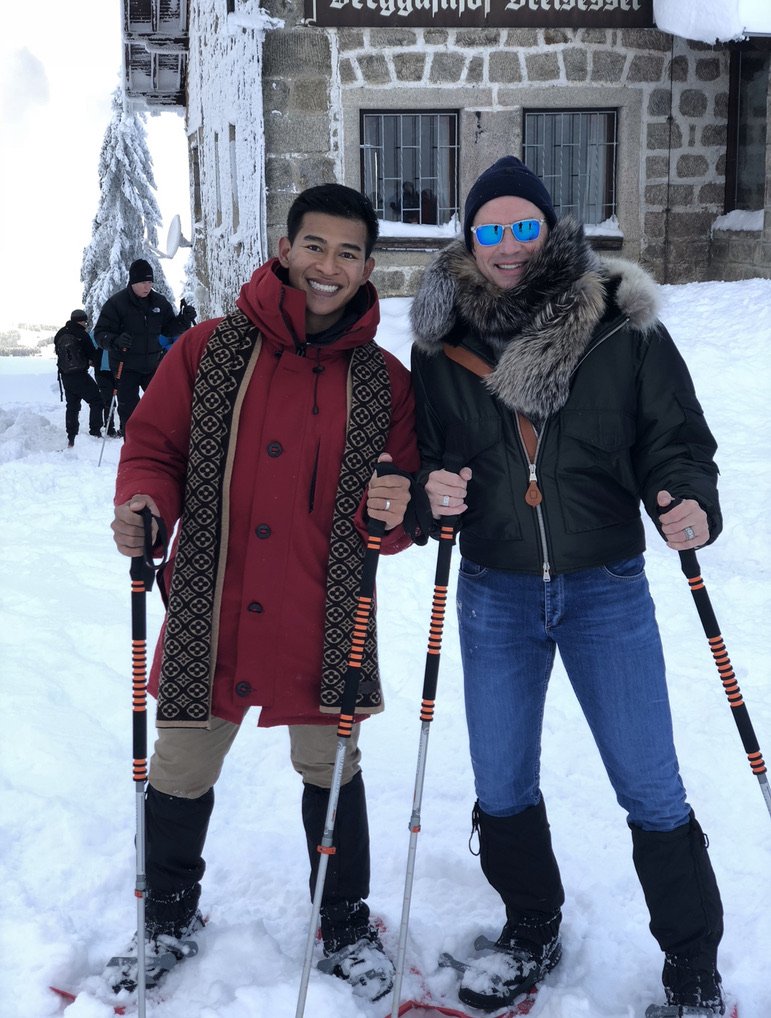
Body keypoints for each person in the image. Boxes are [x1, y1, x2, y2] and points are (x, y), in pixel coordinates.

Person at [409, 157, 726, 1016]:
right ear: (468, 238)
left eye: (523, 226)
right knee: (501, 780)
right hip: (494, 590)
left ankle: (691, 969)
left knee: (648, 783)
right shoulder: (440, 345)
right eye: (490, 228)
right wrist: (430, 484)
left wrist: (685, 496)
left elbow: (674, 437)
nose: (508, 245)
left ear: (550, 229)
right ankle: (528, 927)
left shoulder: (621, 327)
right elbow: (425, 451)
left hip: (605, 589)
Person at [108, 184, 420, 1002]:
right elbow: (153, 449)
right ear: (285, 249)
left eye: (348, 253)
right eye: (314, 246)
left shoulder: (384, 382)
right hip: (210, 602)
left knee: (333, 765)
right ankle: (167, 916)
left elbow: (404, 494)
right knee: (178, 761)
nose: (329, 266)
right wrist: (143, 504)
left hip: (325, 611)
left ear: (367, 268)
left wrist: (399, 508)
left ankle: (344, 921)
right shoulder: (209, 350)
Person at [94, 259, 196, 433]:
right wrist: (115, 341)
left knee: (162, 407)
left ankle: (160, 447)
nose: (147, 286)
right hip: (125, 367)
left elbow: (169, 328)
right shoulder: (117, 303)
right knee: (130, 412)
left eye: (150, 282)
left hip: (152, 365)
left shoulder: (159, 303)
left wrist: (184, 320)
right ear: (133, 281)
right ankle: (132, 449)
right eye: (143, 282)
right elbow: (100, 334)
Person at [53, 309, 105, 447]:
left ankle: (71, 436)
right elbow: (92, 354)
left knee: (72, 406)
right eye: (85, 321)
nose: (86, 324)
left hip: (65, 376)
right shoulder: (82, 334)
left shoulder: (60, 334)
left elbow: (59, 353)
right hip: (80, 375)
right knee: (96, 401)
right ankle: (95, 432)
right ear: (82, 321)